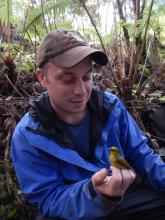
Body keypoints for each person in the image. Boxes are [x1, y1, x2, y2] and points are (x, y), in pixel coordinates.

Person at [11, 29, 165, 220]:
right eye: (67, 79)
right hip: (72, 210)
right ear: (43, 78)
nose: (81, 90)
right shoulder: (29, 134)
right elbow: (48, 197)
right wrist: (95, 192)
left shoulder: (110, 107)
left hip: (124, 198)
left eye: (86, 77)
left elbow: (141, 154)